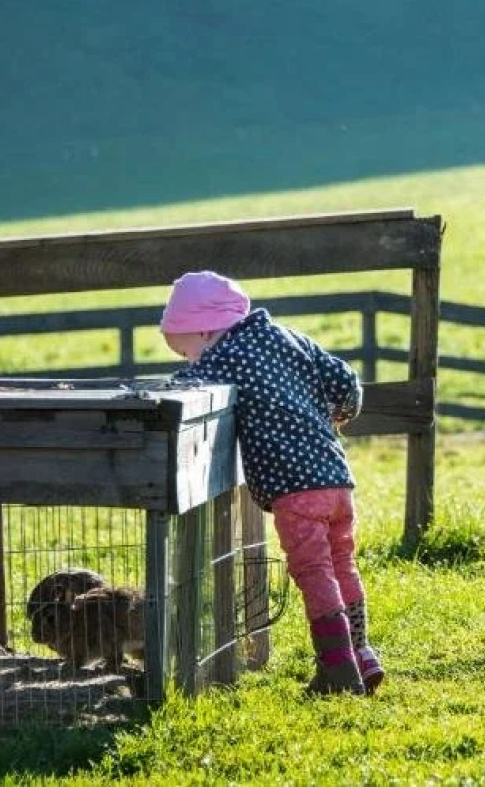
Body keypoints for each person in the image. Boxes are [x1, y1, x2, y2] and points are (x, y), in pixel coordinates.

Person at [160, 270, 383, 696]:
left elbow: (189, 388)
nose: (191, 361)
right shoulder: (289, 338)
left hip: (294, 488)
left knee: (313, 570)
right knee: (342, 562)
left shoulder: (223, 356)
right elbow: (346, 382)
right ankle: (362, 653)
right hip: (336, 477)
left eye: (186, 350)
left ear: (205, 330)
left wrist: (168, 387)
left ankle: (337, 672)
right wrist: (342, 414)